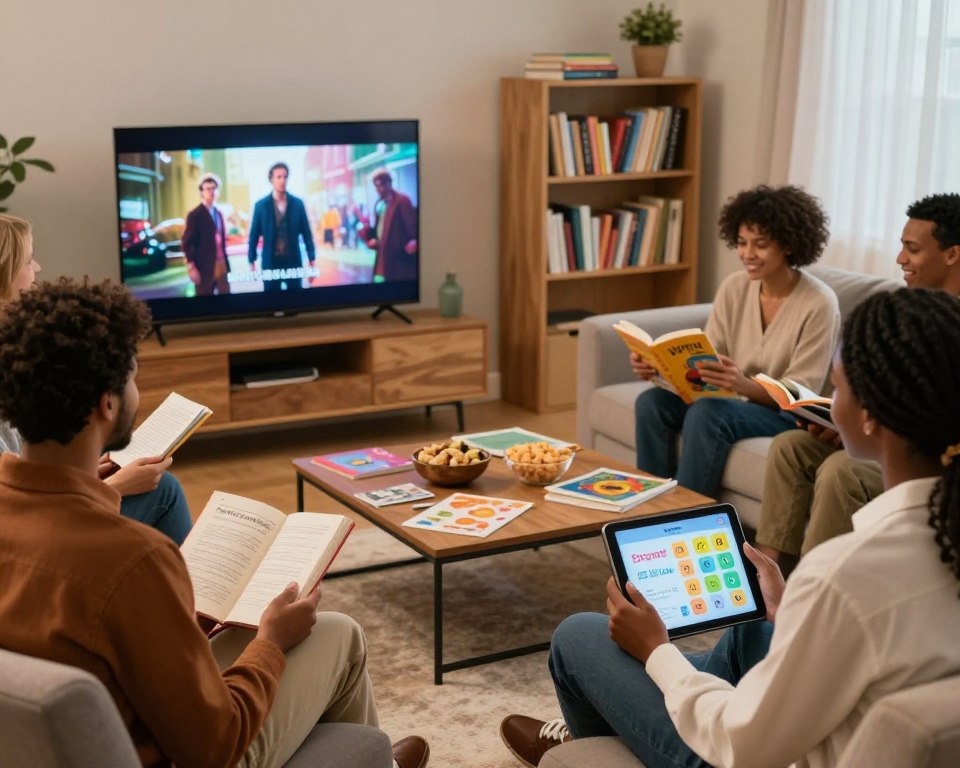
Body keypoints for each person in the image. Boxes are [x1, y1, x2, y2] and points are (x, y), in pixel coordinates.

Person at [501, 287, 960, 768]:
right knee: (748, 629)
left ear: (868, 416)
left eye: (837, 385)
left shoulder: (843, 577)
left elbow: (740, 747)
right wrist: (789, 612)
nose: (829, 397)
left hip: (744, 756)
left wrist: (657, 650)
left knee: (580, 635)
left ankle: (597, 747)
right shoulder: (916, 553)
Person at [0, 278, 429, 768]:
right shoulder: (131, 559)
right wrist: (270, 642)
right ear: (108, 403)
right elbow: (214, 745)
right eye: (134, 376)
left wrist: (95, 489)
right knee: (337, 633)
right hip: (178, 754)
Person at [755, 193, 960, 564]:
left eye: (912, 249)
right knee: (790, 448)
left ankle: (813, 588)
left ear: (952, 254)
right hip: (880, 433)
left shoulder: (946, 327)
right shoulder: (901, 311)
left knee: (841, 470)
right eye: (901, 247)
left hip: (929, 454)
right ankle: (766, 579)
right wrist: (839, 422)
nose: (900, 260)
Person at [633, 185, 841, 498]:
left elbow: (802, 391)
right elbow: (707, 358)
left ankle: (688, 519)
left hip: (788, 416)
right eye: (742, 243)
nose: (747, 254)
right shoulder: (734, 287)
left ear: (788, 244)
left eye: (760, 244)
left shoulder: (819, 303)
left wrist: (744, 385)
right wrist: (659, 368)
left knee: (708, 413)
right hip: (732, 398)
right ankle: (651, 506)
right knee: (651, 403)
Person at [0, 213, 192, 545]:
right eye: (29, 260)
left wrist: (82, 471)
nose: (39, 269)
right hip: (31, 535)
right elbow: (15, 511)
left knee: (164, 486)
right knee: (166, 492)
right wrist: (110, 488)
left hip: (33, 513)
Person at [248, 162, 316, 291]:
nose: (282, 180)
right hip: (270, 262)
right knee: (270, 301)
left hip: (293, 261)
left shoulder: (297, 204)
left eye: (285, 177)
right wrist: (251, 260)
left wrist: (312, 260)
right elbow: (254, 235)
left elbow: (307, 234)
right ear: (271, 179)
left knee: (296, 300)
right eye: (278, 177)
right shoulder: (261, 206)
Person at [182, 171, 231, 296]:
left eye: (214, 188)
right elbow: (186, 243)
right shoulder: (195, 215)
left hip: (222, 264)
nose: (211, 191)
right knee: (205, 302)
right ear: (201, 192)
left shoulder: (218, 213)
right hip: (204, 266)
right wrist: (191, 267)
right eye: (208, 189)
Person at [365, 169, 418, 281]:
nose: (378, 189)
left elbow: (412, 228)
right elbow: (380, 229)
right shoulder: (380, 203)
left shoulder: (402, 201)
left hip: (398, 260)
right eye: (376, 186)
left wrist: (413, 241)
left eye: (380, 185)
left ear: (389, 183)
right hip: (383, 257)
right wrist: (375, 240)